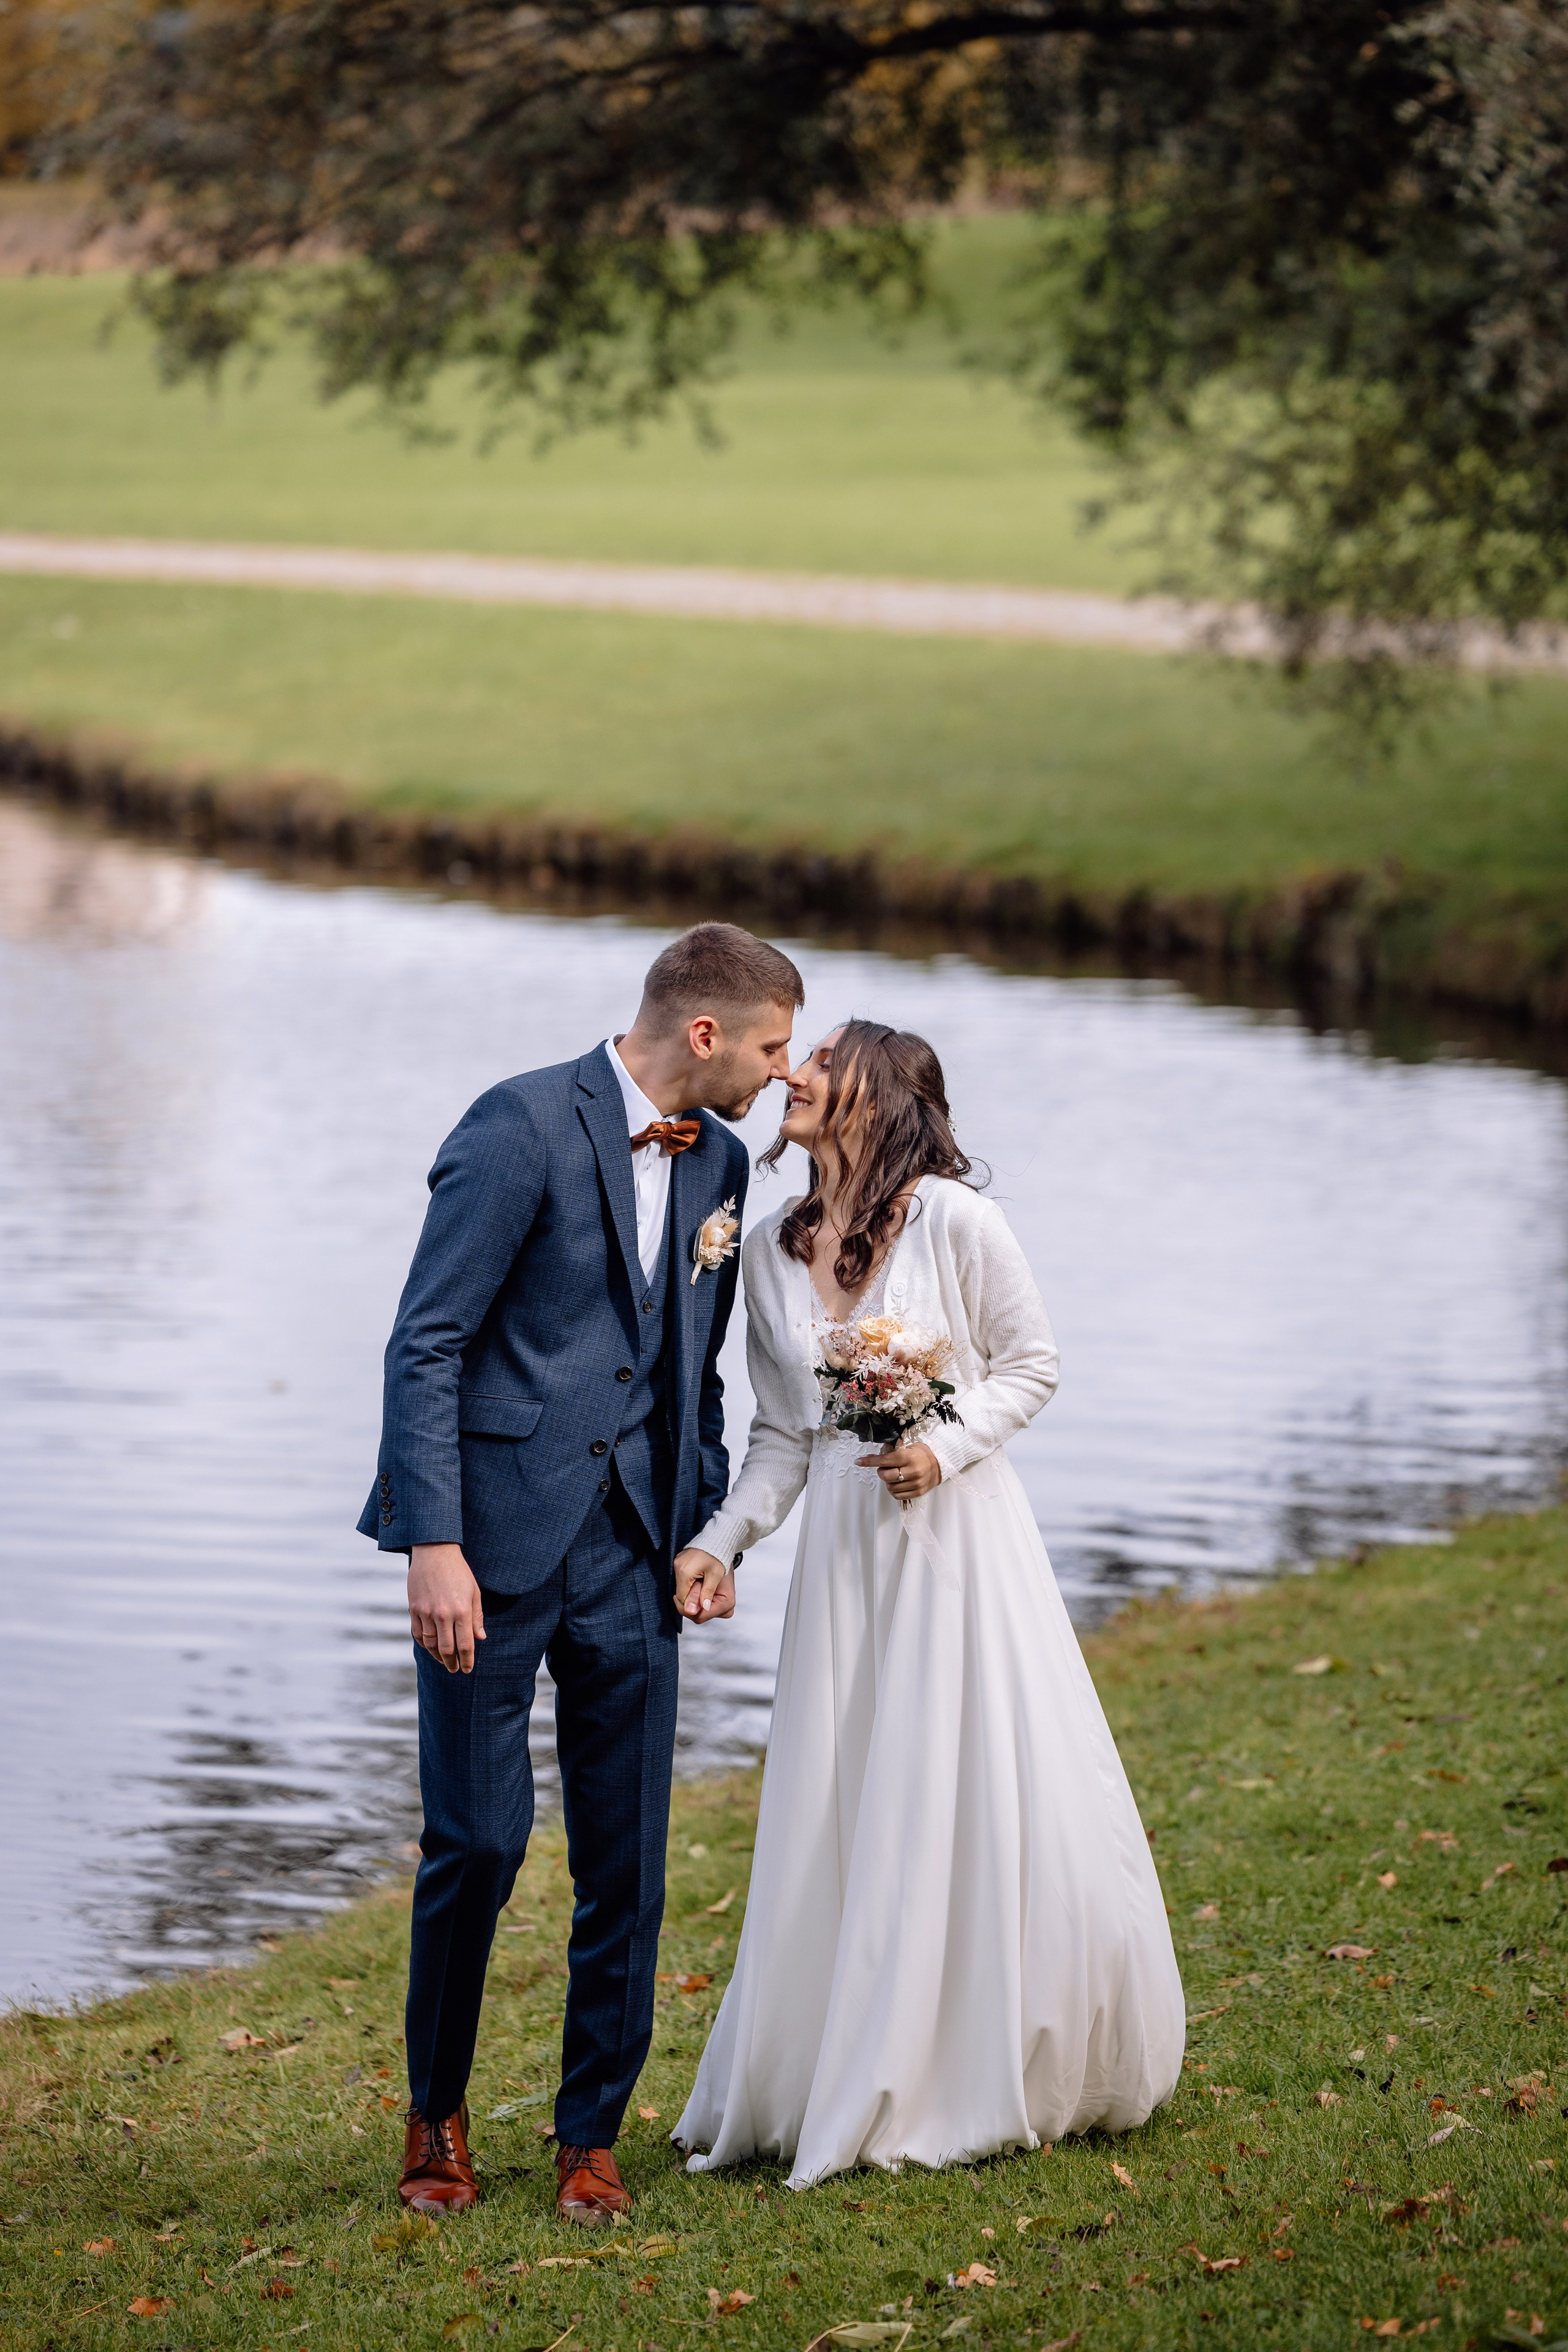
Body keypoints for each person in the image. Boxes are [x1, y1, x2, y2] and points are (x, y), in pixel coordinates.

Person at [670, 1020, 1185, 2185]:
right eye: (793, 1061)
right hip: (846, 1565)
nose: (793, 1077)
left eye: (819, 1065)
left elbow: (1033, 1363)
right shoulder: (765, 1253)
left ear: (880, 1097)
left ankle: (966, 2054)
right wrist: (721, 1542)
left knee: (959, 1781)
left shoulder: (958, 1221)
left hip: (956, 1542)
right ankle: (834, 2058)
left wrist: (942, 1447)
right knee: (849, 1795)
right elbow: (783, 1438)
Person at [360, 923, 804, 2224]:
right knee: (479, 1842)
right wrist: (429, 1544)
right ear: (705, 1033)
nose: (781, 1075)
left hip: (636, 1557)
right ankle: (434, 2117)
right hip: (486, 1552)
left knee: (630, 1861)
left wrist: (705, 1525)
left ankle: (588, 2134)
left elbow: (695, 1370)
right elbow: (424, 1344)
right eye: (772, 1046)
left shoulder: (720, 1162)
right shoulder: (514, 1126)